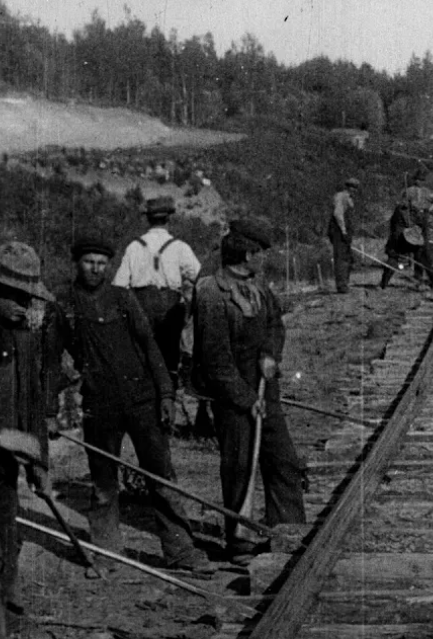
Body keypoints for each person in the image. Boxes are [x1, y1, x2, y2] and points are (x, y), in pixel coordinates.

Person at [62, 235, 211, 575]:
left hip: (142, 400)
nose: (95, 269)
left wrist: (166, 395)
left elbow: (151, 348)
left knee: (162, 476)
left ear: (108, 266)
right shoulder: (66, 305)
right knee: (103, 485)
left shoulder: (123, 298)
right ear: (77, 263)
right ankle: (106, 554)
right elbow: (53, 353)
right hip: (99, 407)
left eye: (101, 263)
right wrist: (56, 401)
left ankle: (181, 552)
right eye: (89, 261)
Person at [192, 220, 306, 565]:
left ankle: (286, 530)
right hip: (233, 399)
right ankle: (239, 542)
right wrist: (245, 399)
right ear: (246, 254)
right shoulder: (212, 293)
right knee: (240, 465)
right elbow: (216, 361)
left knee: (283, 460)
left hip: (265, 389)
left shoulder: (259, 288)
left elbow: (275, 325)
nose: (264, 260)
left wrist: (270, 354)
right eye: (260, 253)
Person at [0, 242, 63, 637]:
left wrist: (39, 461)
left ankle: (10, 604)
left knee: (7, 527)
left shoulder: (25, 333)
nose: (24, 304)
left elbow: (32, 400)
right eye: (15, 295)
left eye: (27, 296)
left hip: (8, 453)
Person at [112, 196, 201, 388]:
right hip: (170, 306)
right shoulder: (180, 247)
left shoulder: (134, 247)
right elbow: (200, 278)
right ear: (168, 219)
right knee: (169, 358)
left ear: (147, 220)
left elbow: (119, 285)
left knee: (143, 356)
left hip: (140, 305)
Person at [401, 169, 433, 288]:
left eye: (421, 180)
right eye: (417, 180)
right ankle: (418, 274)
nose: (419, 182)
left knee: (425, 246)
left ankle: (430, 272)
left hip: (424, 219)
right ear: (414, 180)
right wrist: (407, 206)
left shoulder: (428, 192)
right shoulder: (409, 191)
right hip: (413, 219)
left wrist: (430, 208)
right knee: (416, 247)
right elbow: (402, 204)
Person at [327, 178, 359, 294]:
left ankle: (344, 283)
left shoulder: (349, 198)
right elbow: (338, 214)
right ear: (347, 187)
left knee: (346, 257)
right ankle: (341, 286)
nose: (354, 190)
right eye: (352, 187)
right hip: (339, 230)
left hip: (345, 231)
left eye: (355, 188)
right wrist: (344, 231)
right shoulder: (341, 196)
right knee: (341, 258)